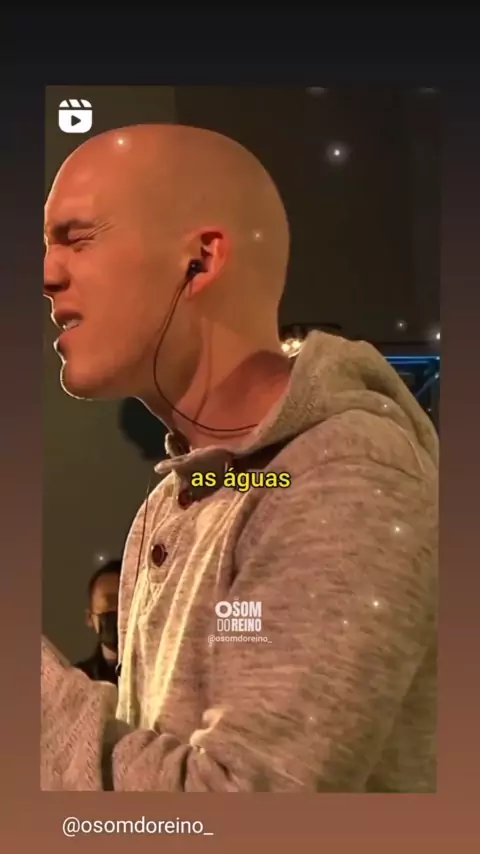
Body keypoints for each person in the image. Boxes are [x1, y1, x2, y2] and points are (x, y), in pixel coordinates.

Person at [42, 124, 438, 792]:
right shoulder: (173, 502)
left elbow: (237, 808)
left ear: (200, 261)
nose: (48, 275)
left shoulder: (345, 475)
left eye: (78, 239)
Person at [75, 561, 121, 685]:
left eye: (126, 600)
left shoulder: (163, 676)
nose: (119, 609)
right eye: (110, 601)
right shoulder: (77, 681)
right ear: (89, 618)